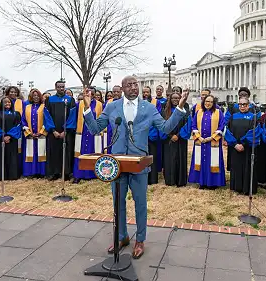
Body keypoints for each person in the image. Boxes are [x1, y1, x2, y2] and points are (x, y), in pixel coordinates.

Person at [82, 75, 189, 259]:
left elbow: (165, 128)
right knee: (118, 202)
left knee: (140, 203)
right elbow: (94, 129)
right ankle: (121, 236)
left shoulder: (148, 108)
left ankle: (140, 240)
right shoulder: (112, 106)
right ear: (122, 88)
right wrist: (87, 107)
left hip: (139, 163)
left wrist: (179, 109)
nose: (133, 87)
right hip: (117, 163)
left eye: (135, 85)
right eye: (129, 85)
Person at [224, 96, 262, 194]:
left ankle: (247, 189)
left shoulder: (253, 117)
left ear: (248, 106)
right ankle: (237, 187)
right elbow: (228, 131)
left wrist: (243, 144)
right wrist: (235, 144)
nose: (242, 106)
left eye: (244, 104)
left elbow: (255, 132)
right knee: (236, 167)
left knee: (248, 168)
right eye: (240, 104)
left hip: (248, 148)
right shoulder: (233, 116)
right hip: (235, 148)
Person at [188, 95, 226, 189]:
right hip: (200, 142)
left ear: (213, 103)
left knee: (212, 161)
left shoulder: (218, 112)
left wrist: (211, 138)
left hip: (213, 142)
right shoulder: (199, 112)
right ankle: (202, 182)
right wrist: (199, 137)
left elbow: (221, 126)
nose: (207, 103)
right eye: (206, 101)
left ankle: (212, 183)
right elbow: (194, 126)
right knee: (201, 161)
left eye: (210, 102)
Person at [44, 80, 77, 181]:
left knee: (66, 152)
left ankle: (66, 173)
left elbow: (72, 116)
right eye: (59, 87)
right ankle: (54, 172)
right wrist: (53, 130)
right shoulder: (49, 100)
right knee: (54, 151)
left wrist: (65, 130)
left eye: (63, 86)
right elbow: (46, 116)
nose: (61, 88)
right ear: (55, 87)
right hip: (53, 132)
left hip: (66, 132)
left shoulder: (70, 100)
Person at [73, 87, 103, 184]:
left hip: (93, 134)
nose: (91, 96)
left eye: (93, 94)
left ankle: (92, 174)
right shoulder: (80, 104)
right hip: (82, 132)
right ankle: (78, 175)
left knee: (93, 153)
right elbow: (75, 117)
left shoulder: (99, 105)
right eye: (89, 94)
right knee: (80, 153)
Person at [160, 92, 191, 187]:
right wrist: (170, 135)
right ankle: (170, 180)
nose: (175, 100)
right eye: (173, 98)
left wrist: (178, 135)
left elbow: (188, 125)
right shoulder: (165, 111)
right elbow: (161, 126)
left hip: (181, 139)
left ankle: (180, 180)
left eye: (178, 98)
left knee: (180, 158)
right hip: (168, 140)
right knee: (169, 159)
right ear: (170, 99)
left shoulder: (185, 111)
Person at [0, 97, 22, 180]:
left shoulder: (16, 114)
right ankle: (0, 175)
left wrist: (9, 135)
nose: (7, 104)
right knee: (1, 156)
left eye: (9, 102)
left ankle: (13, 175)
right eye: (5, 102)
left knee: (12, 156)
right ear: (2, 103)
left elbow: (18, 125)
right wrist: (3, 136)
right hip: (1, 139)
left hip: (12, 139)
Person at [22, 89, 47, 178]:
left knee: (41, 152)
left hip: (41, 134)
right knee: (31, 152)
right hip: (30, 135)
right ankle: (30, 172)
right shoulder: (27, 107)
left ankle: (41, 172)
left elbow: (47, 121)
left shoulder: (44, 107)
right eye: (34, 95)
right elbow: (23, 120)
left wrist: (41, 132)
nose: (35, 97)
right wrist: (29, 132)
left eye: (37, 95)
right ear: (31, 97)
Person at [142, 86, 162, 184]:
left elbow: (157, 117)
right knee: (143, 157)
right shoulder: (139, 102)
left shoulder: (156, 103)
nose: (145, 94)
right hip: (141, 134)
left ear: (150, 92)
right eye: (144, 92)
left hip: (152, 133)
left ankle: (153, 179)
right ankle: (143, 178)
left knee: (152, 156)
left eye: (147, 92)